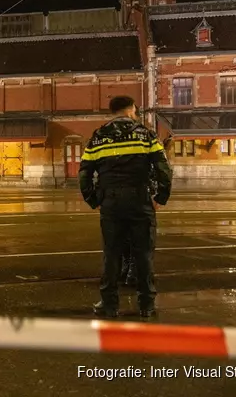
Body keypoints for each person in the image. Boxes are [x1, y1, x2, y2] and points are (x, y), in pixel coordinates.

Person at [78, 95, 172, 319]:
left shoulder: (99, 136)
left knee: (111, 255)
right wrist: (161, 196)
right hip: (140, 200)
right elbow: (164, 168)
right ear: (131, 109)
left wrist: (94, 200)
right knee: (144, 254)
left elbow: (84, 173)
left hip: (110, 202)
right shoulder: (145, 134)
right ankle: (146, 305)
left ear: (113, 111)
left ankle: (109, 305)